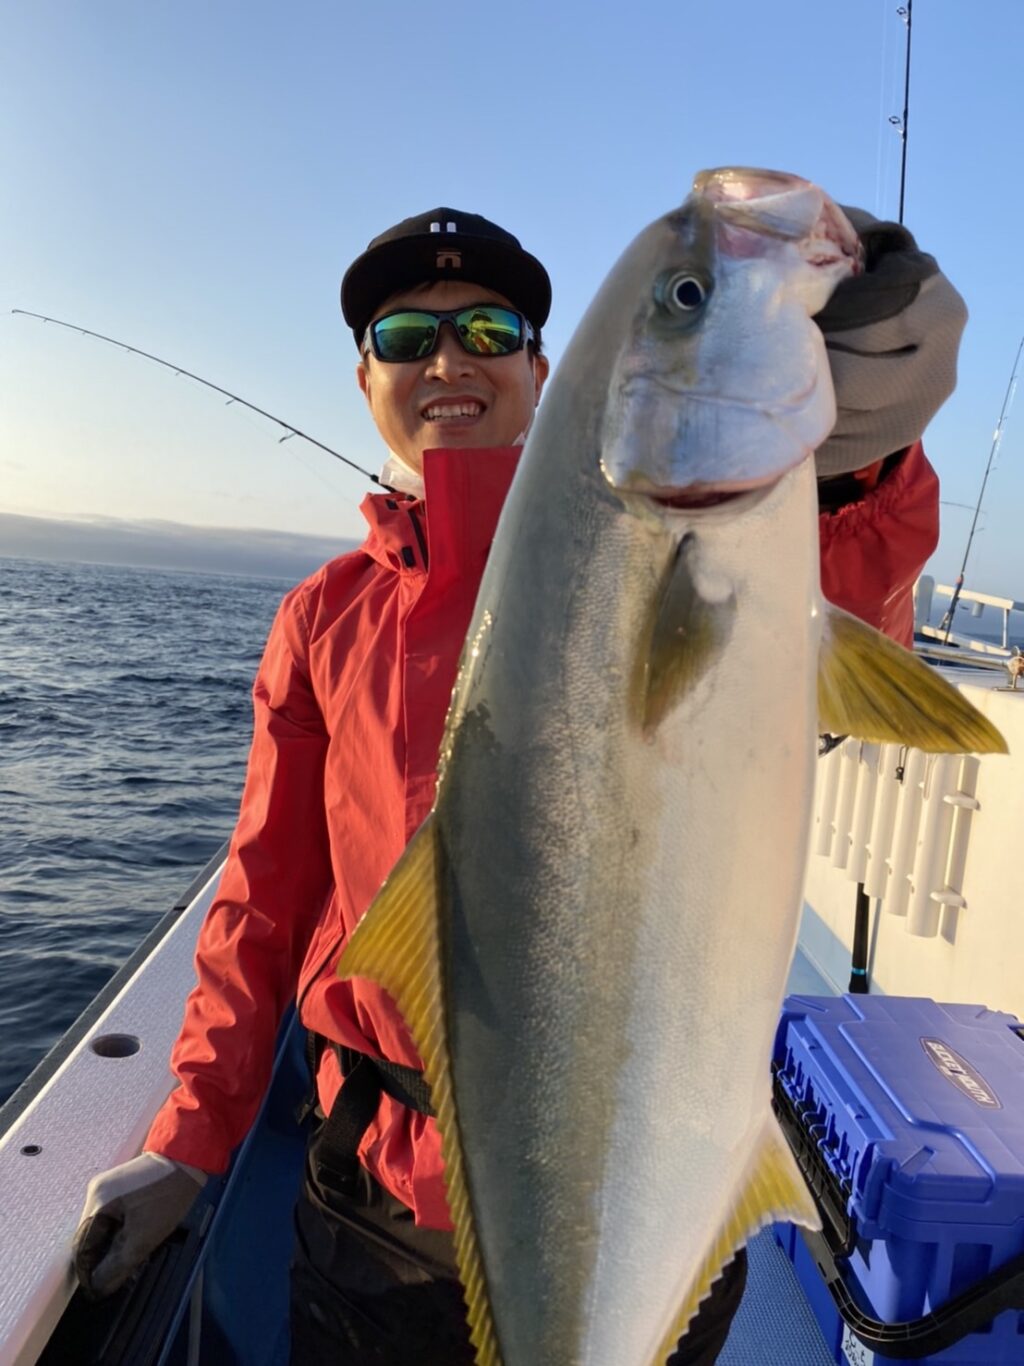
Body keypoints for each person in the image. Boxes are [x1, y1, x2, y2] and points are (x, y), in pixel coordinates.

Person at [71, 197, 966, 1365]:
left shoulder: (676, 544)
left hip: (655, 1186)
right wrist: (189, 1141)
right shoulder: (321, 618)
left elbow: (849, 589)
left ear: (545, 373)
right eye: (406, 337)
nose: (449, 361)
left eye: (488, 331)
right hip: (372, 1200)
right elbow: (261, 901)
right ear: (364, 381)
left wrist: (864, 451)